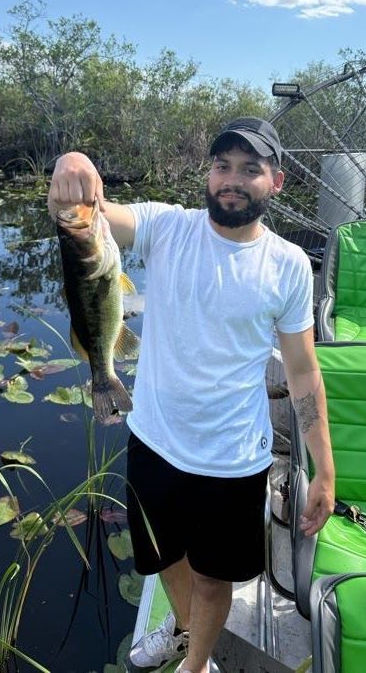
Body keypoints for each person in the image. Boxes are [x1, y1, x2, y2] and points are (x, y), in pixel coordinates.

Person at [48, 117, 335, 673]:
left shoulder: (289, 265)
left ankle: (197, 664)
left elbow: (301, 371)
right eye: (222, 166)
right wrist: (71, 167)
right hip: (153, 439)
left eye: (250, 169)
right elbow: (93, 219)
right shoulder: (166, 227)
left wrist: (323, 468)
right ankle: (182, 631)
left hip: (231, 460)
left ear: (275, 181)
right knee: (162, 557)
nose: (232, 179)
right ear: (208, 174)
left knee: (212, 578)